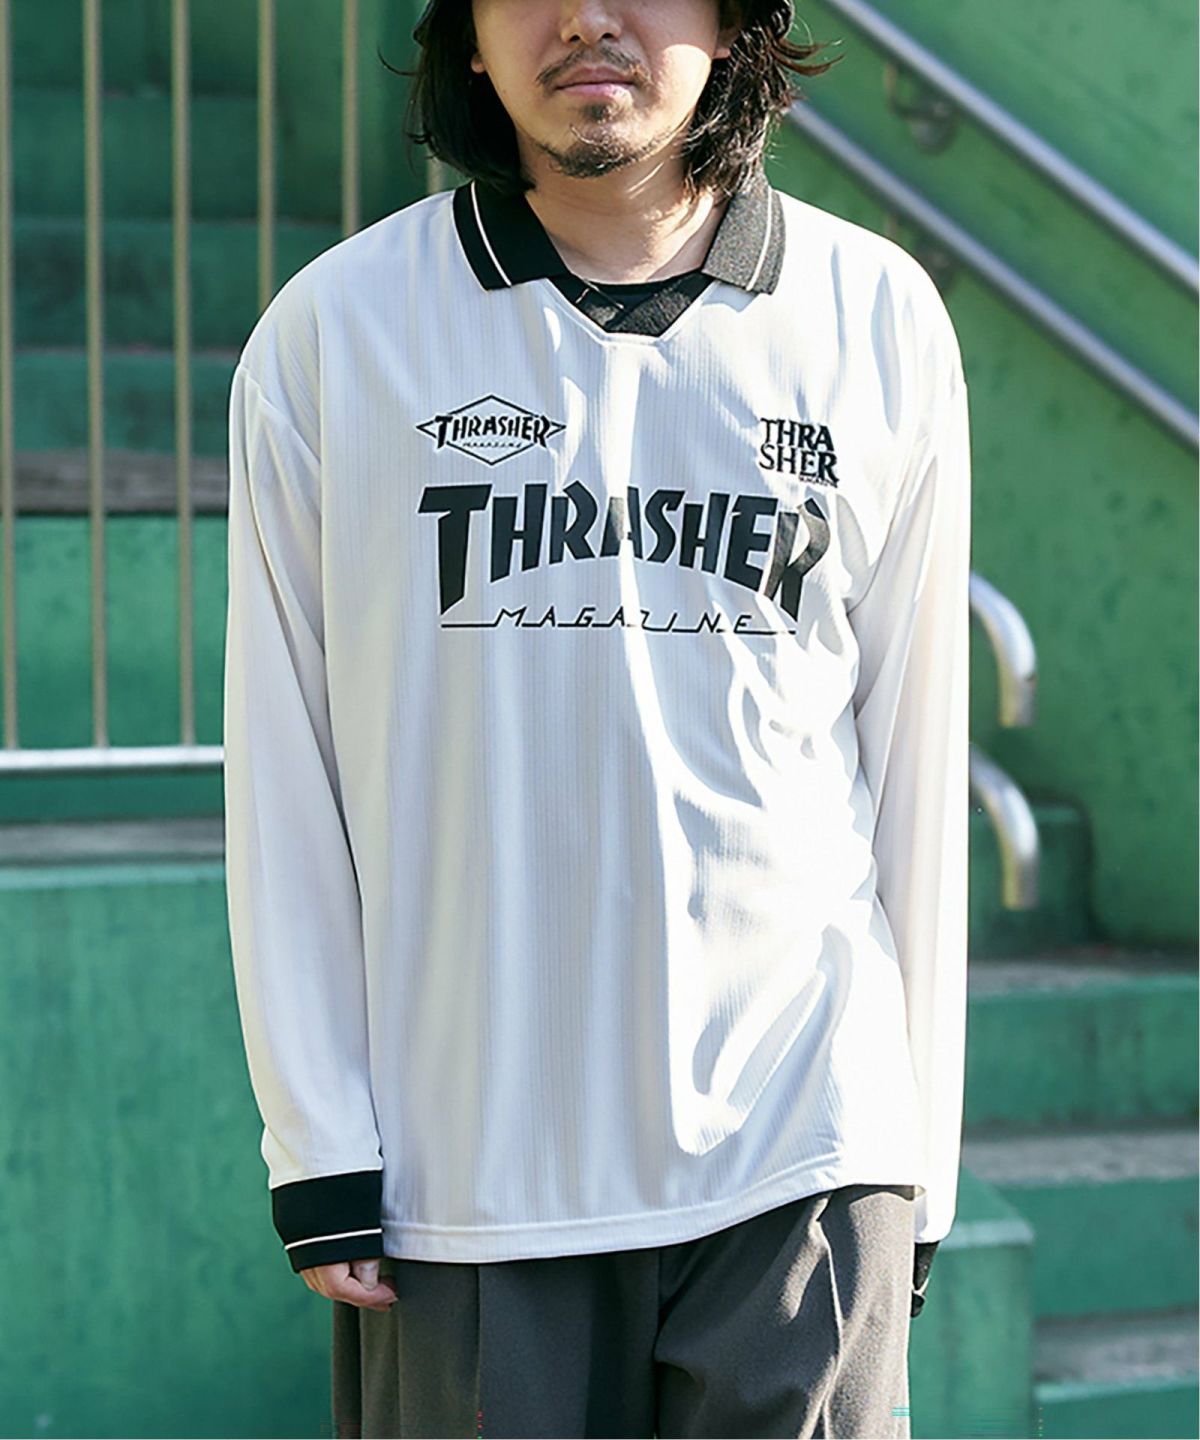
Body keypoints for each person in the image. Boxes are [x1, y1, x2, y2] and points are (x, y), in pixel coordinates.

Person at [222, 0, 971, 1434]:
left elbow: (919, 764)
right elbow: (283, 766)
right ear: (466, 33)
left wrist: (915, 1157)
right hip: (466, 1172)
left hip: (805, 1151)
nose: (585, 19)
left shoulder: (876, 317)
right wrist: (317, 1136)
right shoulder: (338, 330)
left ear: (738, 21)